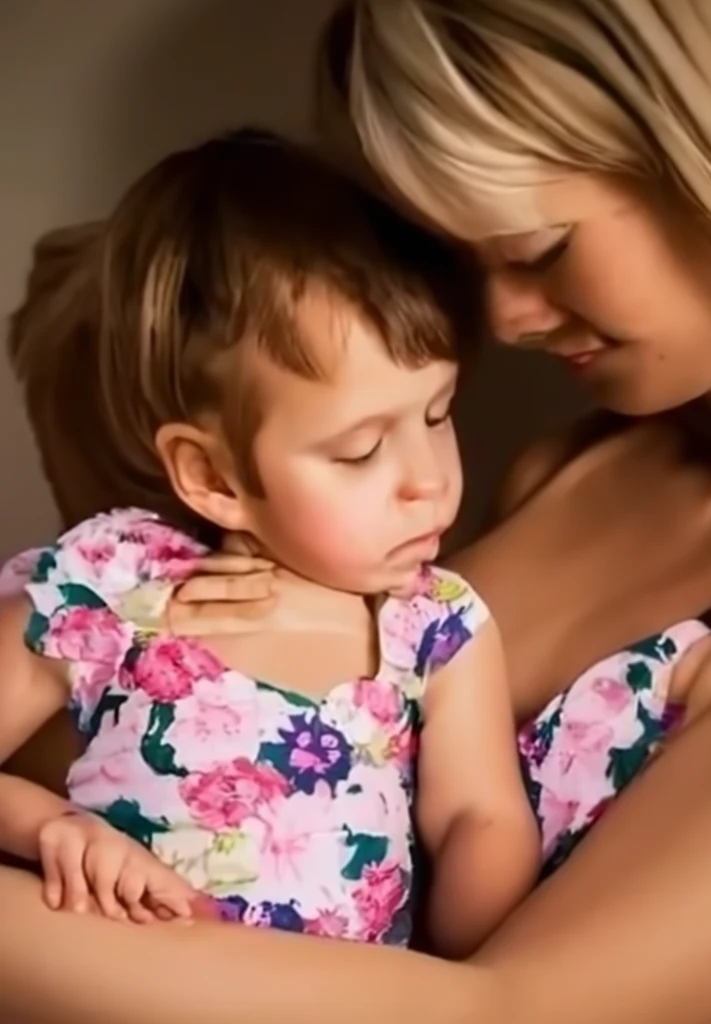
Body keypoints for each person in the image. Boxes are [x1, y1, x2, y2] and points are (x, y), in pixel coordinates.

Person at [1, 1, 711, 1022]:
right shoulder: (571, 468)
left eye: (536, 248)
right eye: (468, 262)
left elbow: (517, 1011)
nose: (501, 320)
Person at [0, 128, 539, 957]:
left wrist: (455, 977)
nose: (428, 479)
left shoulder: (435, 626)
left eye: (438, 415)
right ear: (212, 476)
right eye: (360, 450)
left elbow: (482, 817)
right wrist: (53, 829)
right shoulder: (118, 583)